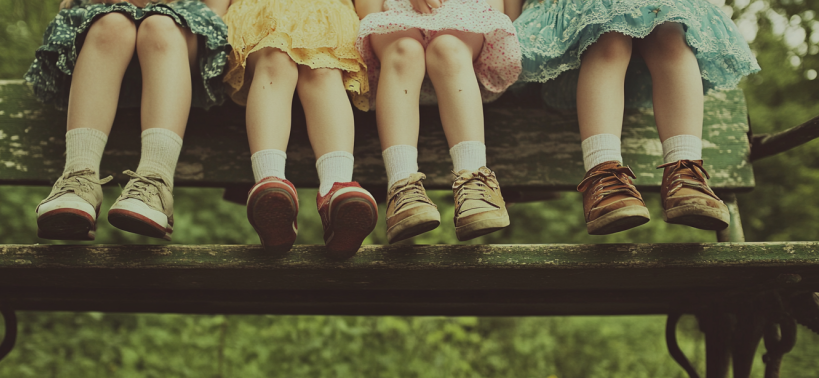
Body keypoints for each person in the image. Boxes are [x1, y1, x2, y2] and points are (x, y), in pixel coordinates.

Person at [507, 0, 760, 235]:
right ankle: (603, 175)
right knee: (609, 35)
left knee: (670, 33)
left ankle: (685, 172)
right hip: (578, 35)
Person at [27, 0, 230, 241]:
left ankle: (155, 182)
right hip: (106, 31)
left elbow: (215, 10)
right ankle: (79, 178)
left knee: (160, 25)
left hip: (179, 35)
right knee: (112, 24)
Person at [356, 0, 523, 242]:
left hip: (462, 14)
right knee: (404, 50)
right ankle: (402, 186)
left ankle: (475, 181)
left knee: (449, 49)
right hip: (393, 14)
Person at [225, 0, 376, 258]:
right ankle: (271, 188)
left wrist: (374, 22)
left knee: (324, 69)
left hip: (326, 11)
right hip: (262, 11)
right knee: (275, 59)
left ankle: (335, 191)